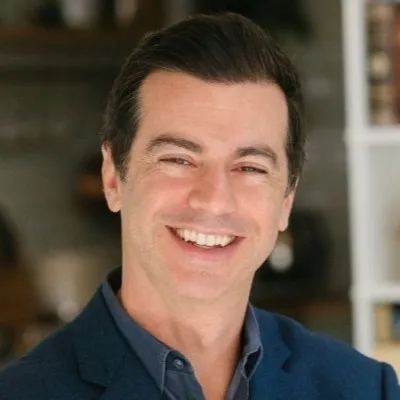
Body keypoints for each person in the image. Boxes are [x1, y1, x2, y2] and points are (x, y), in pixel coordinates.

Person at [0, 12, 398, 400]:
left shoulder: (366, 389)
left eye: (250, 167)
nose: (213, 199)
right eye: (178, 159)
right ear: (112, 178)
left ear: (286, 200)